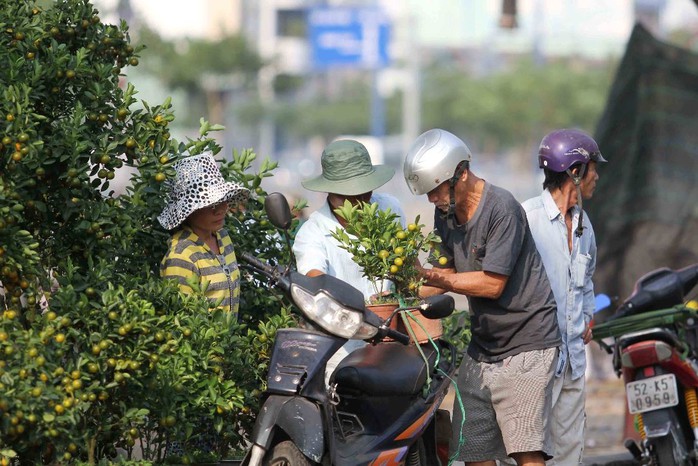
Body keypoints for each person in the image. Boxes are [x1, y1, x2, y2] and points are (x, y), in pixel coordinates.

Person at [403, 128, 561, 466]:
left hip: (528, 343)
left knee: (525, 449)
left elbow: (492, 284)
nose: (432, 199)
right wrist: (406, 283)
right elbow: (440, 276)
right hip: (484, 346)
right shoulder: (444, 214)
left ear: (460, 174)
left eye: (435, 190)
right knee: (470, 447)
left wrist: (438, 276)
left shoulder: (502, 208)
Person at [521, 129, 606, 465]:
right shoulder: (528, 219)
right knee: (530, 450)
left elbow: (586, 280)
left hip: (572, 362)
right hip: (536, 365)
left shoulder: (584, 224)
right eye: (592, 168)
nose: (596, 176)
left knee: (570, 452)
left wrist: (588, 314)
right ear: (574, 172)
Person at [292, 139, 405, 386]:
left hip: (393, 342)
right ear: (329, 191)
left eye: (365, 191)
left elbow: (405, 272)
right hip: (342, 353)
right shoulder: (312, 234)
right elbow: (316, 286)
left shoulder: (389, 209)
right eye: (349, 195)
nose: (359, 201)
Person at [158, 152, 249, 316]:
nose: (221, 210)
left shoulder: (223, 238)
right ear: (189, 211)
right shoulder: (181, 256)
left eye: (222, 200)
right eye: (210, 204)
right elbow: (181, 317)